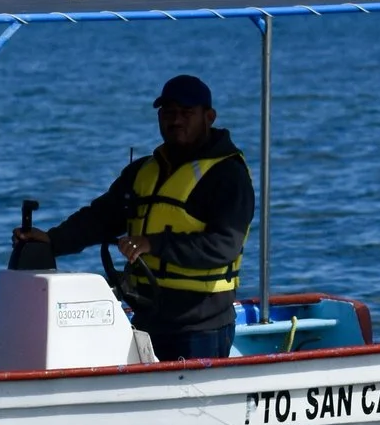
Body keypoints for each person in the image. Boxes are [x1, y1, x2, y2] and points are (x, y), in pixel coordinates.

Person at [13, 74, 253, 362]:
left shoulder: (228, 176)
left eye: (186, 113)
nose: (176, 121)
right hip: (148, 316)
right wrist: (52, 240)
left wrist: (154, 244)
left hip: (201, 325)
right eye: (168, 113)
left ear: (209, 117)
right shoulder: (142, 172)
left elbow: (223, 246)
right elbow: (100, 218)